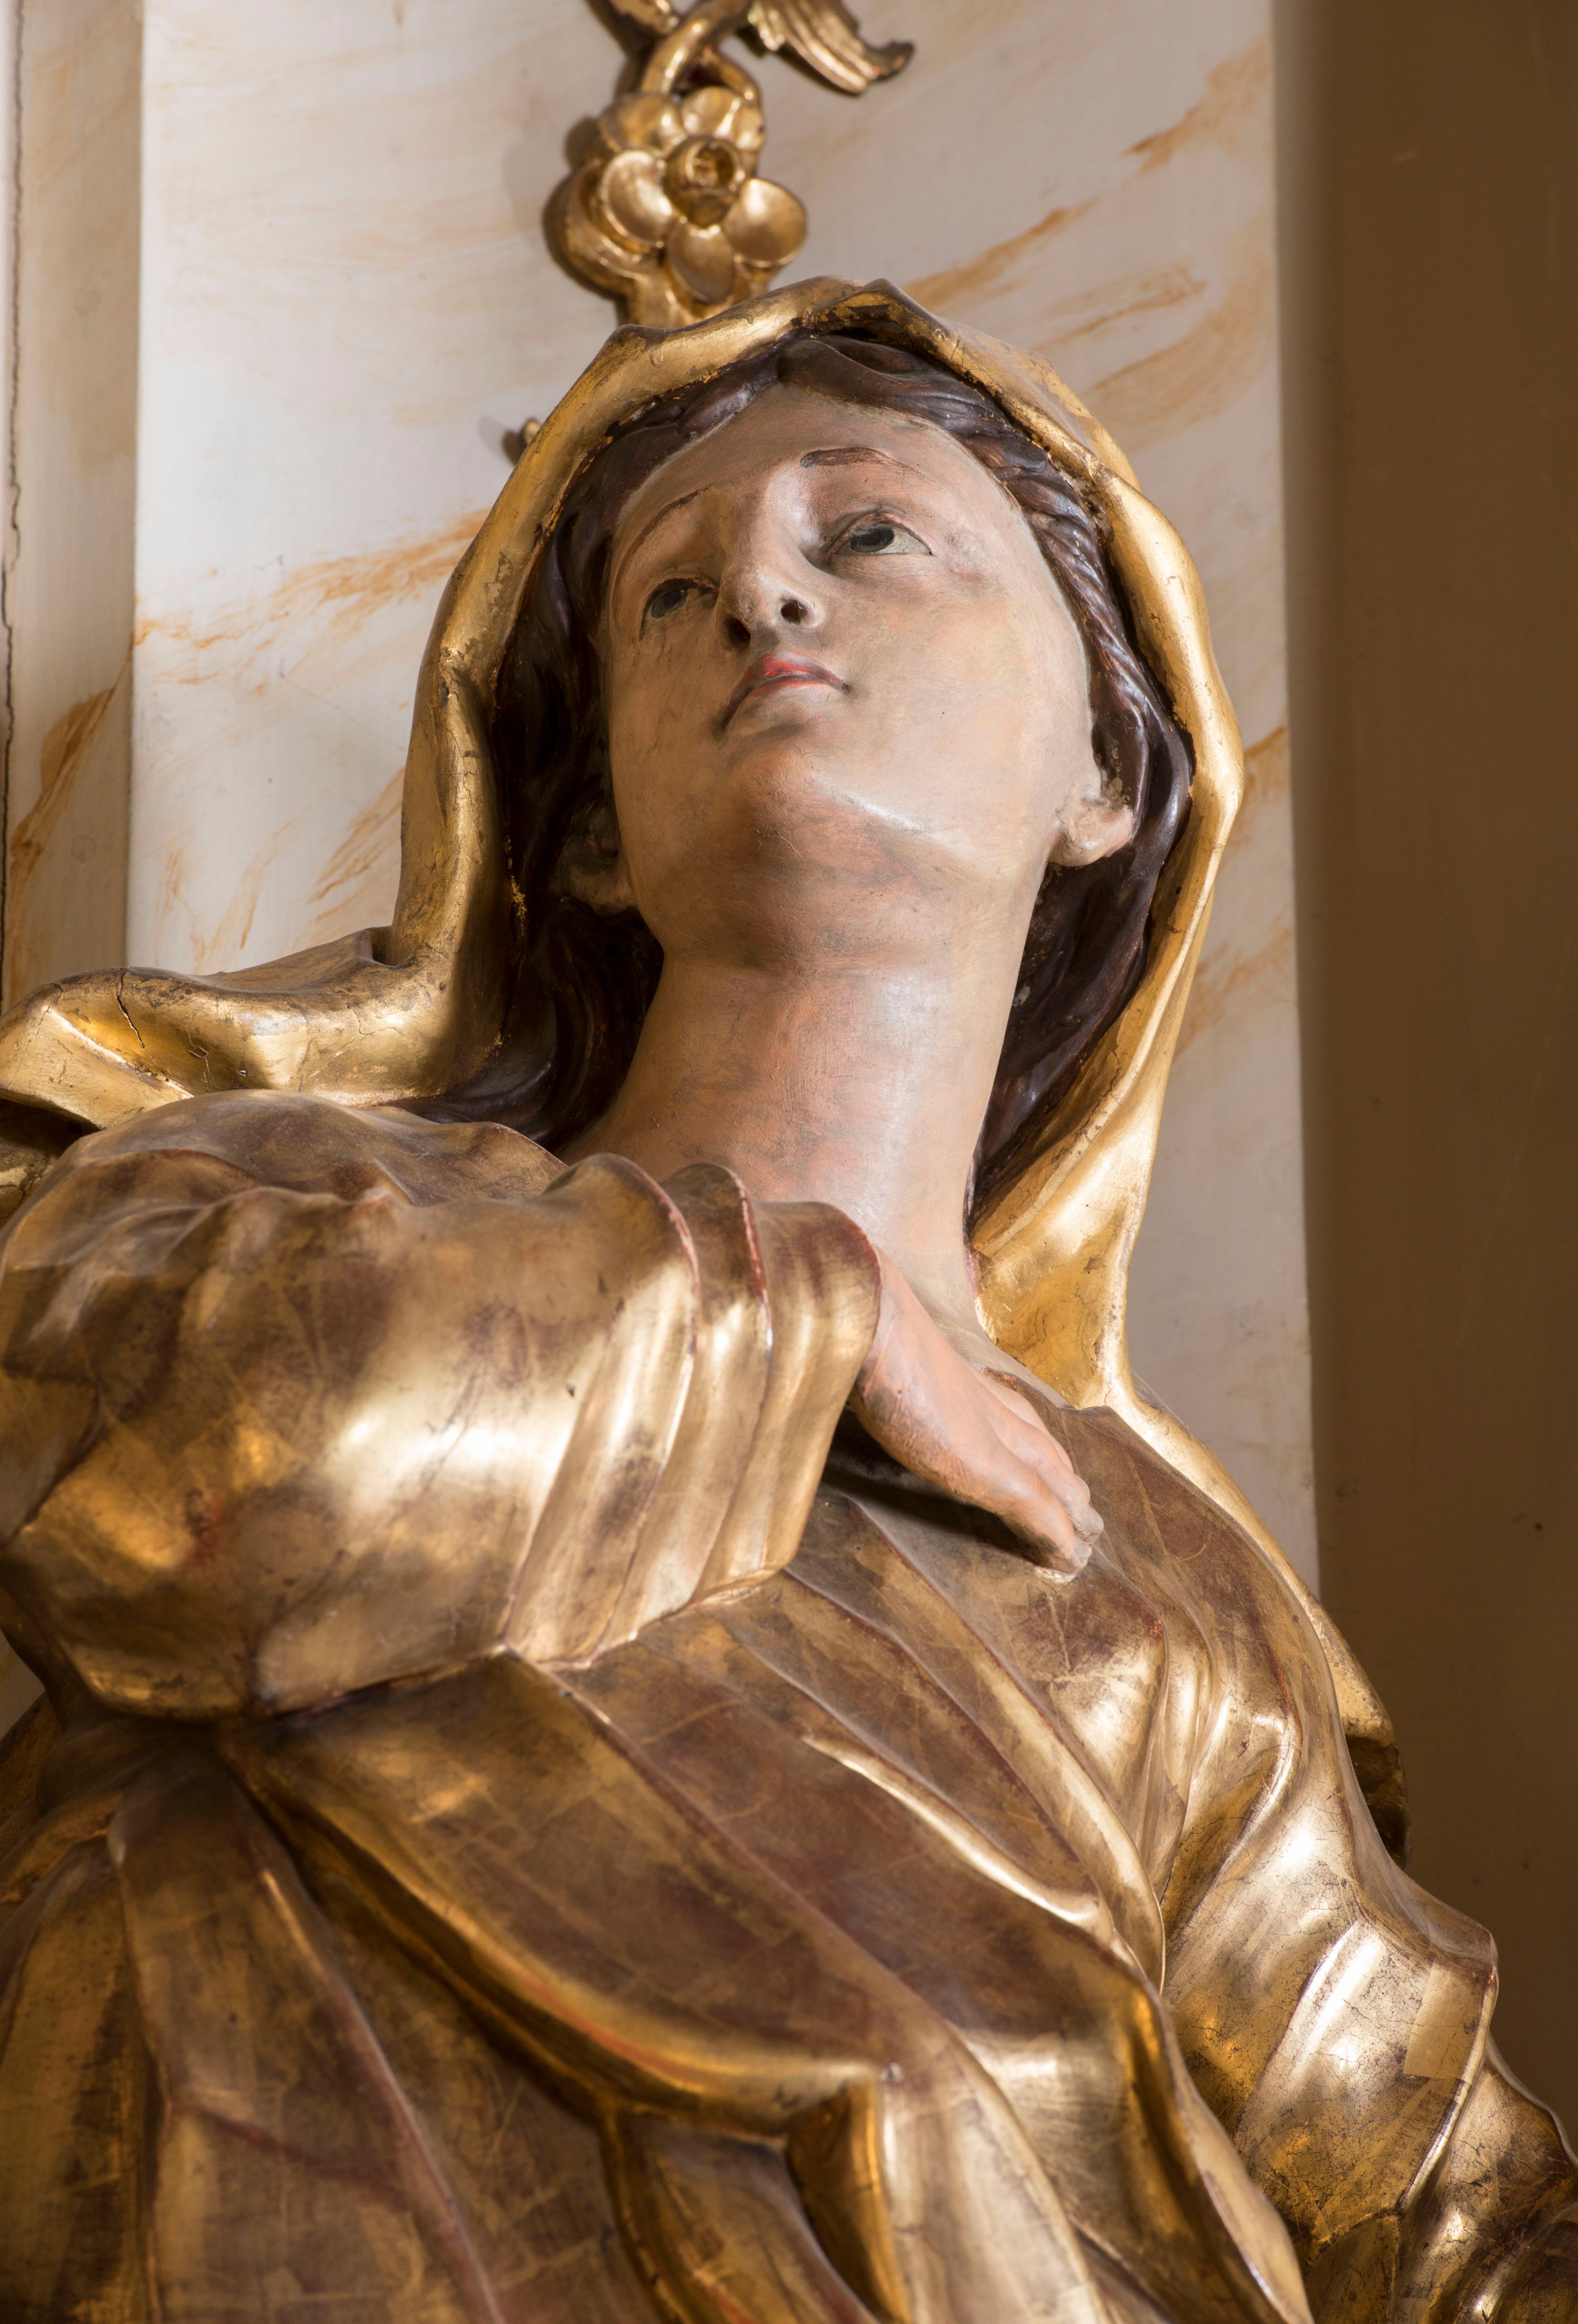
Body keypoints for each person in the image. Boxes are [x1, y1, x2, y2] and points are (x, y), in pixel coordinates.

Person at [0, 281, 1571, 2323]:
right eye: (672, 592)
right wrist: (801, 1302)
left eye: (871, 533)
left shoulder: (1173, 1586)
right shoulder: (259, 1196)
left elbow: (1435, 2213)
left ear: (1110, 764)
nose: (760, 594)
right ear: (585, 831)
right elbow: (205, 1493)